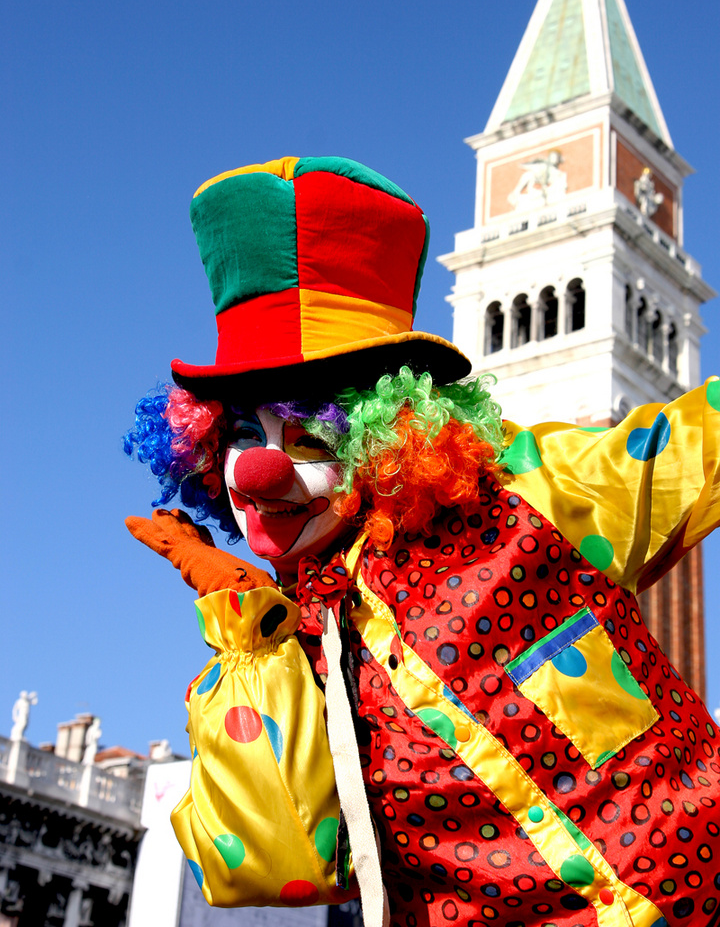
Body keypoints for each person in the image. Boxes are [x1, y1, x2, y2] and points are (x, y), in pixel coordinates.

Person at [126, 155, 720, 927]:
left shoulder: (536, 495)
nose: (261, 470)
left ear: (390, 431)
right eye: (241, 432)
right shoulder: (293, 645)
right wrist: (250, 639)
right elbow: (277, 863)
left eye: (309, 436)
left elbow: (693, 446)